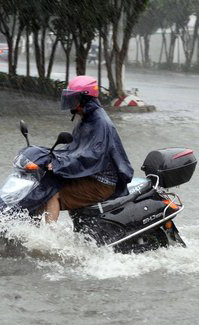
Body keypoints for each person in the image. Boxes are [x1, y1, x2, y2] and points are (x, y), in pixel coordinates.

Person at [44, 75, 134, 223]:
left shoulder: (101, 124)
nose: (70, 103)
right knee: (47, 183)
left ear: (85, 99)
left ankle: (46, 239)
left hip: (101, 181)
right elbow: (73, 149)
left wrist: (60, 165)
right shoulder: (86, 119)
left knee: (52, 194)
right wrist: (49, 156)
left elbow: (91, 156)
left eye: (73, 99)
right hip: (89, 175)